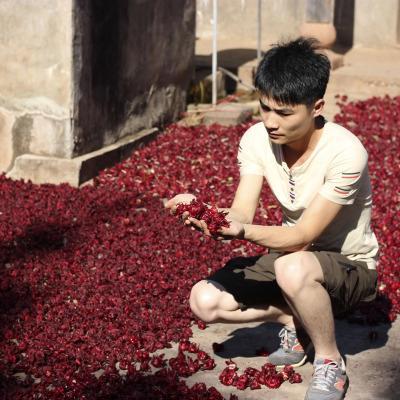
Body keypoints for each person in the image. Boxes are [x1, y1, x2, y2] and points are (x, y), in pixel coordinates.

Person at [165, 37, 378, 400]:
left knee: (293, 266)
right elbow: (241, 213)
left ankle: (330, 362)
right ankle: (294, 319)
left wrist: (242, 231)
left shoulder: (346, 153)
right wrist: (204, 213)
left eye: (284, 113)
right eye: (264, 108)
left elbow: (304, 236)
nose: (270, 122)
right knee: (204, 300)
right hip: (291, 263)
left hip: (350, 269)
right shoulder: (256, 139)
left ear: (317, 107)